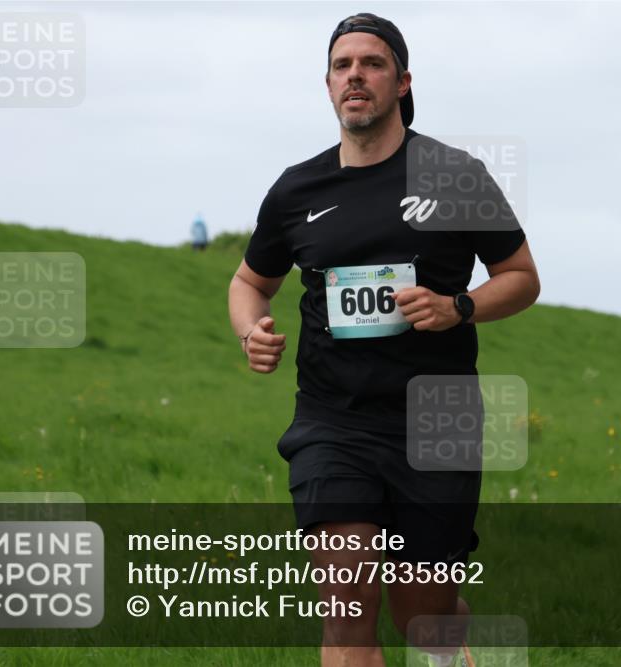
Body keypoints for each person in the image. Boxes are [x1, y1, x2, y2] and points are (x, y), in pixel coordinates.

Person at [228, 13, 539, 667]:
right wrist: (251, 328)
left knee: (422, 611)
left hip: (437, 421)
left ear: (401, 81)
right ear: (328, 84)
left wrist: (459, 306)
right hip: (333, 421)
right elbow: (249, 281)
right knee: (347, 602)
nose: (355, 76)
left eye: (371, 63)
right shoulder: (297, 188)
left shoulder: (454, 175)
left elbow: (520, 278)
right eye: (342, 66)